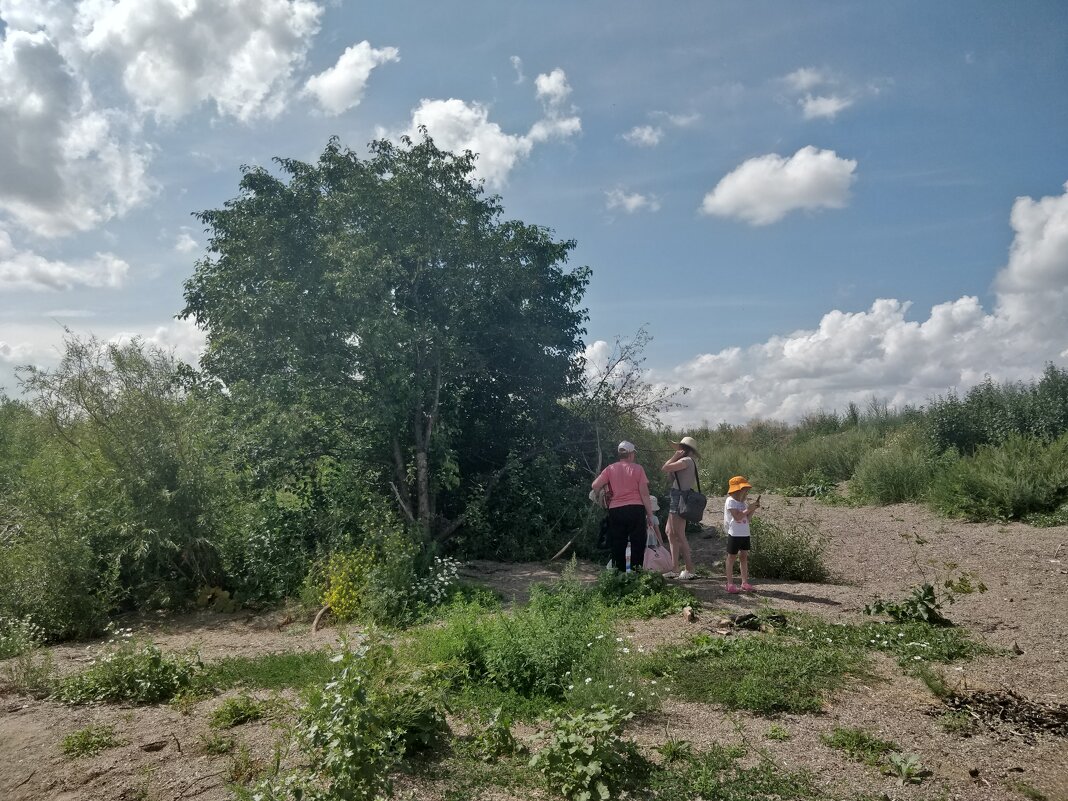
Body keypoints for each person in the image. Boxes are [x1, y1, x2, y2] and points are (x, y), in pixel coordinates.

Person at [591, 441, 659, 572]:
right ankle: (636, 574)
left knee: (618, 543)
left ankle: (618, 575)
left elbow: (595, 485)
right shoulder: (638, 469)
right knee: (637, 543)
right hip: (635, 509)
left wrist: (606, 487)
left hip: (616, 510)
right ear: (631, 454)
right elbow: (644, 494)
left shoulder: (610, 469)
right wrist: (650, 514)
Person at [661, 435, 700, 580]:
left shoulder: (685, 461)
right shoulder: (689, 462)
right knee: (670, 532)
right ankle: (675, 568)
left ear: (684, 450)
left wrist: (673, 457)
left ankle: (689, 568)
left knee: (678, 534)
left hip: (679, 498)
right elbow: (671, 477)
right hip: (678, 497)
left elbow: (664, 467)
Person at [723, 475, 760, 593]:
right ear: (737, 490)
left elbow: (747, 519)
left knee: (744, 557)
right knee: (731, 557)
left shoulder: (743, 503)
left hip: (744, 533)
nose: (746, 492)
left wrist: (753, 509)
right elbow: (737, 517)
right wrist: (749, 509)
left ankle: (744, 582)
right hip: (734, 533)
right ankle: (730, 584)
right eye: (744, 490)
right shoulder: (730, 501)